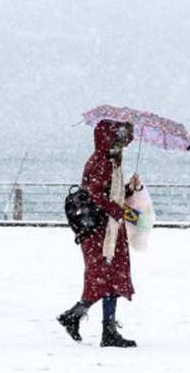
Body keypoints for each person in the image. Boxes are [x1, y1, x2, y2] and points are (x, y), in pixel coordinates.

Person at [57, 120, 141, 347]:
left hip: (104, 230)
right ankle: (82, 319)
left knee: (107, 278)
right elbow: (96, 195)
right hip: (100, 232)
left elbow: (106, 193)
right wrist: (117, 210)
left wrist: (129, 190)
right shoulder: (103, 163)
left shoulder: (105, 162)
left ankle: (98, 325)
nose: (122, 147)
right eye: (119, 142)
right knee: (104, 278)